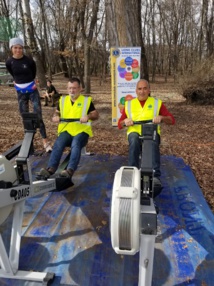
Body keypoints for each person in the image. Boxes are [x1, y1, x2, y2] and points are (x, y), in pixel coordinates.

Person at [118, 79, 175, 189]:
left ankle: (155, 177)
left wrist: (161, 118)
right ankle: (132, 173)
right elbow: (120, 124)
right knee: (134, 140)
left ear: (149, 90)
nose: (142, 91)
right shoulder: (129, 104)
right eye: (139, 89)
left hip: (151, 132)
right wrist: (125, 122)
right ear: (136, 91)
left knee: (152, 142)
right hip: (134, 132)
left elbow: (171, 120)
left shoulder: (157, 103)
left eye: (145, 88)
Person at [38, 77, 99, 180]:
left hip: (81, 131)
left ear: (80, 89)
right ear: (67, 89)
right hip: (66, 130)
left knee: (76, 143)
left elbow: (95, 114)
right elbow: (57, 112)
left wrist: (88, 117)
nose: (72, 91)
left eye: (74, 88)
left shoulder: (86, 101)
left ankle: (70, 170)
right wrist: (55, 117)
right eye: (70, 88)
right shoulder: (62, 100)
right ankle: (51, 169)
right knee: (58, 143)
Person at [5, 37, 52, 153]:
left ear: (22, 49)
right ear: (11, 49)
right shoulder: (9, 62)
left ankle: (45, 141)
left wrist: (33, 83)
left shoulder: (29, 61)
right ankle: (29, 144)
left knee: (38, 115)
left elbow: (33, 72)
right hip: (20, 92)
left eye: (20, 48)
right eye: (15, 48)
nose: (18, 50)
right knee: (24, 116)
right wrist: (16, 82)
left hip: (32, 90)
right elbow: (13, 73)